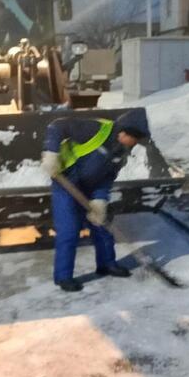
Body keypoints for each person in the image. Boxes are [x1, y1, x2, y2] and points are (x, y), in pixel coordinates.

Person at [40, 110, 151, 292]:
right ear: (125, 133)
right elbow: (57, 125)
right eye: (135, 139)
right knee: (69, 230)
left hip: (90, 188)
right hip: (66, 183)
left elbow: (107, 178)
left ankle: (107, 264)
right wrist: (51, 153)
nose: (136, 144)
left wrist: (100, 200)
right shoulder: (96, 130)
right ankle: (63, 277)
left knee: (103, 225)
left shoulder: (121, 152)